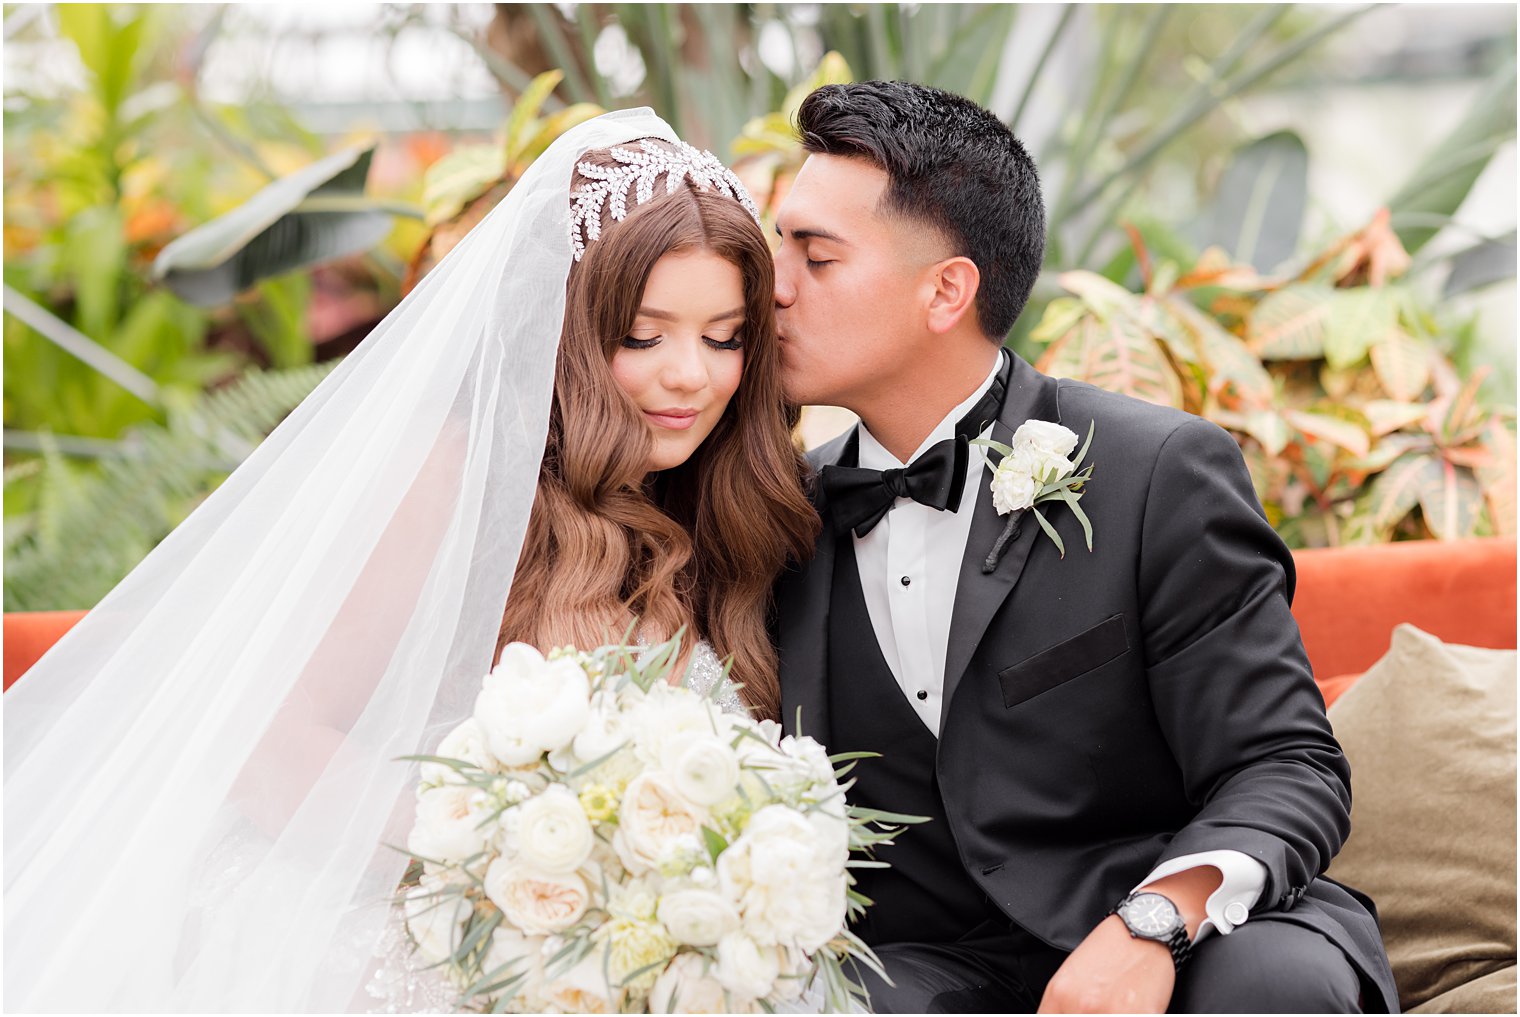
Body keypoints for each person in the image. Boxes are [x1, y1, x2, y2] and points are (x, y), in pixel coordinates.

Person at [4, 108, 816, 1012]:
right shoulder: (448, 478)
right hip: (409, 919)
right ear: (568, 328)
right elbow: (271, 739)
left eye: (723, 336)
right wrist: (514, 867)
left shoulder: (721, 505)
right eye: (642, 335)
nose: (690, 376)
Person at [771, 80, 1399, 1013]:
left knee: (1275, 988)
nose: (773, 284)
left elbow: (1285, 764)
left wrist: (1153, 921)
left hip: (1194, 929)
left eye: (815, 257)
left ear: (947, 290)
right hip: (937, 964)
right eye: (774, 246)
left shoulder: (1160, 471)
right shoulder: (780, 514)